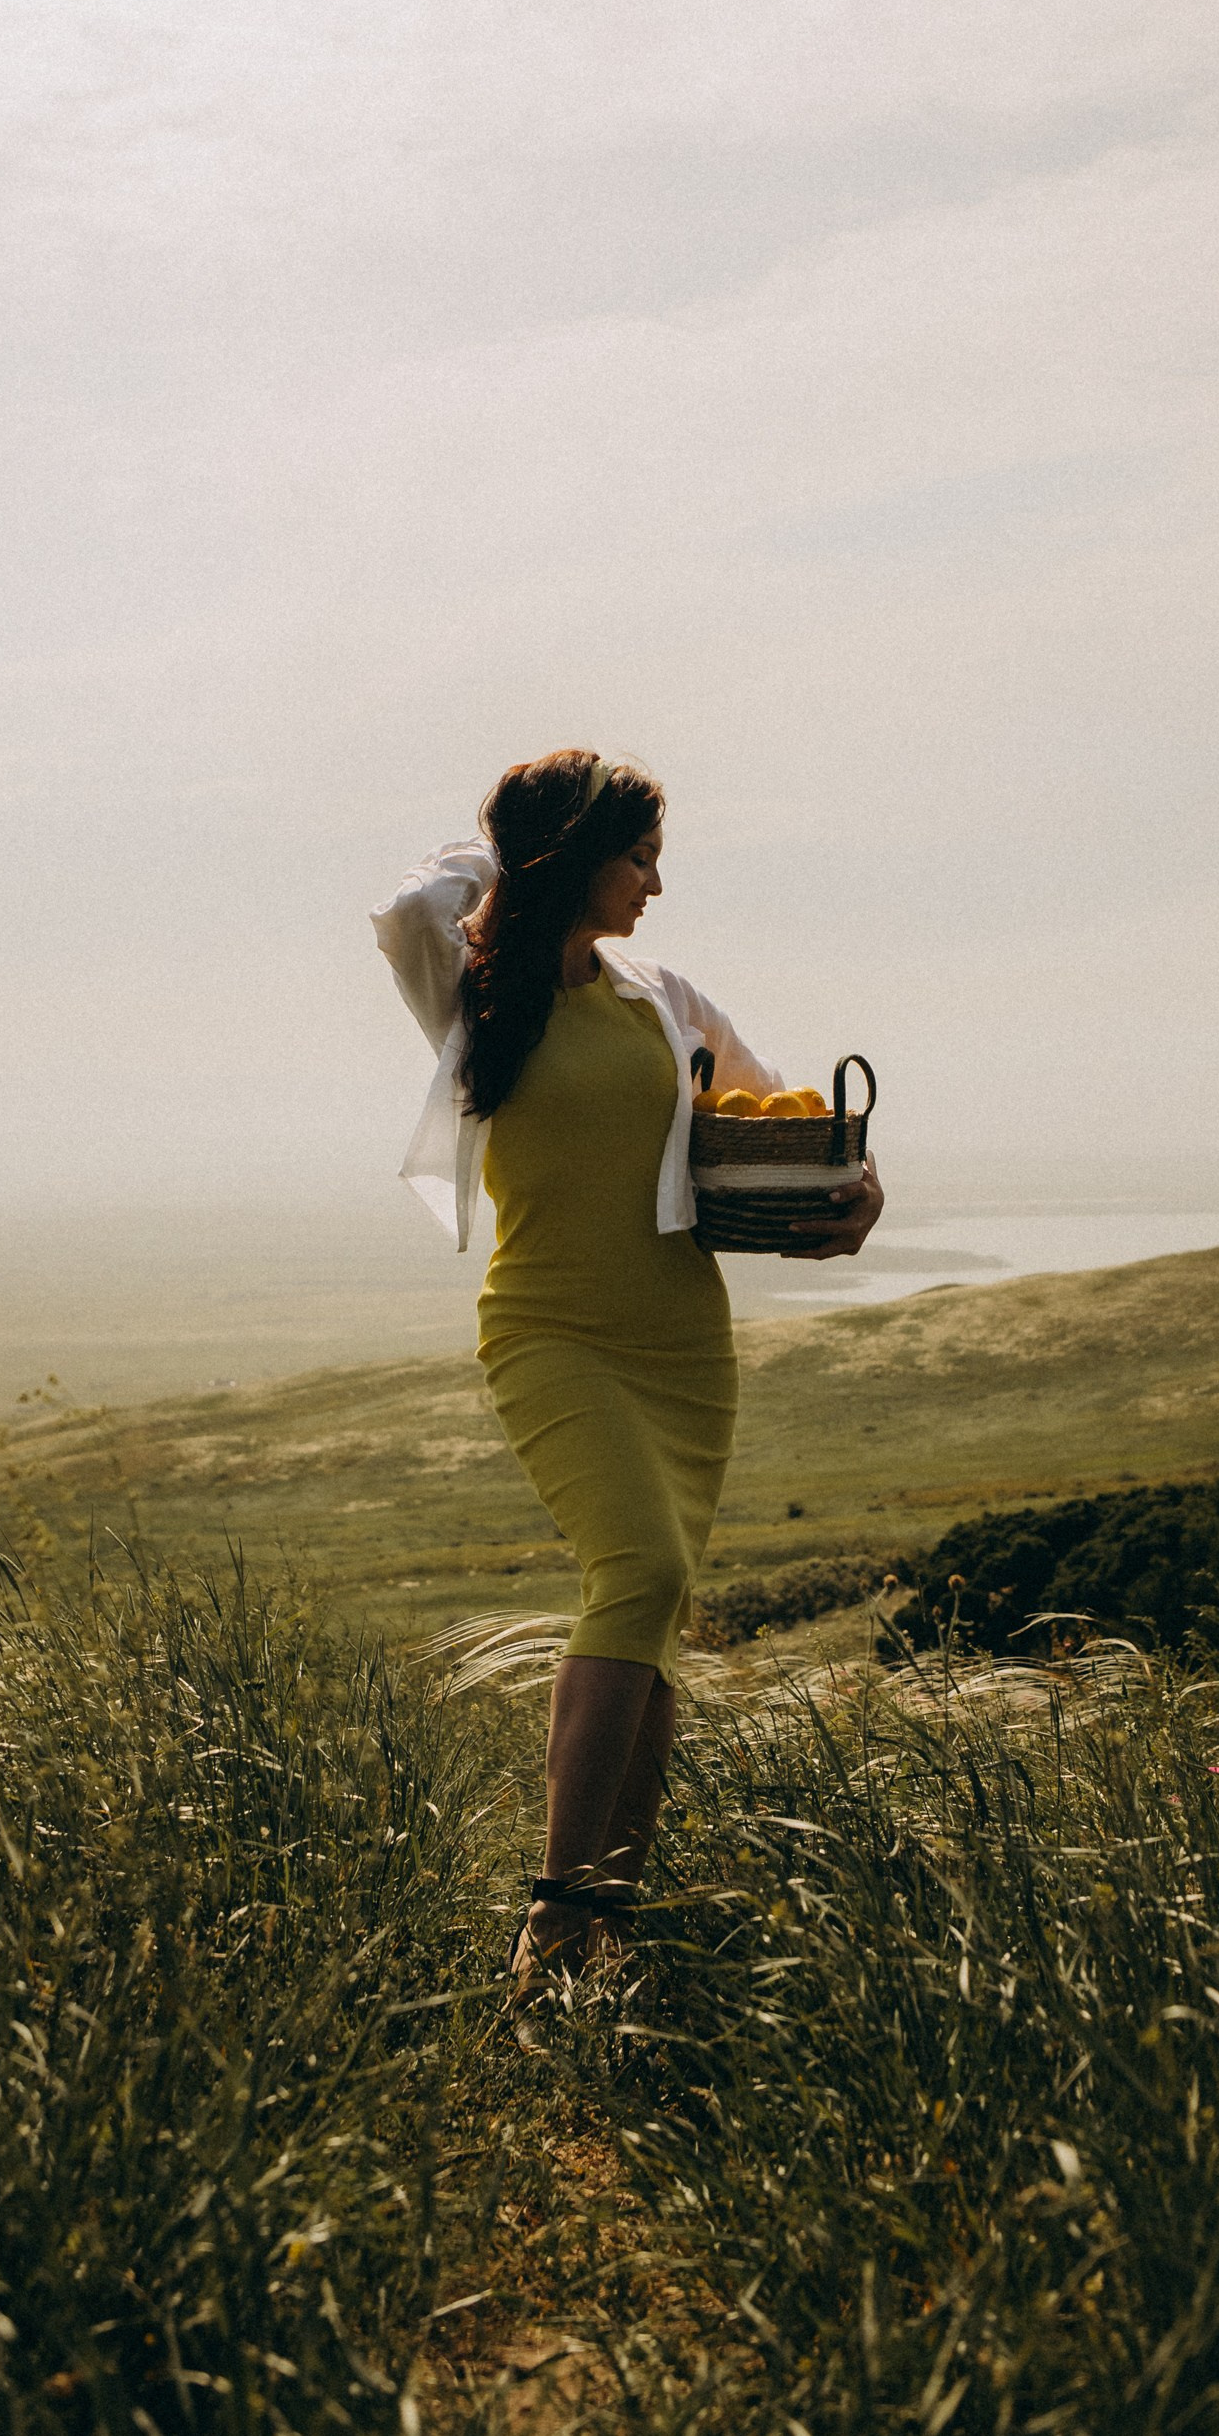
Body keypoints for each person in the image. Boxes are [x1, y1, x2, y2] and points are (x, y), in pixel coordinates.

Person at [373, 748, 883, 1995]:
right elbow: (410, 905)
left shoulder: (662, 995)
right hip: (549, 1328)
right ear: (570, 858)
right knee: (638, 1570)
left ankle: (609, 1921)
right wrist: (519, 852)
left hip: (679, 1343)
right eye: (638, 855)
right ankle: (551, 1919)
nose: (657, 882)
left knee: (652, 1614)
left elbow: (778, 1115)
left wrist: (858, 1193)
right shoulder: (472, 984)